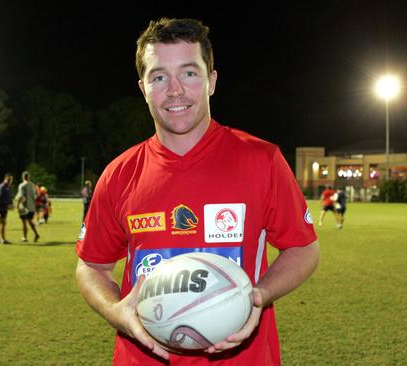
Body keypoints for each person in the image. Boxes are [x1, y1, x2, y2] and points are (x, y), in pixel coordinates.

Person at [74, 18, 319, 365]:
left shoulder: (262, 159)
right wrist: (115, 310)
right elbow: (91, 267)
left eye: (189, 73)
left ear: (211, 81)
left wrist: (259, 295)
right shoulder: (118, 174)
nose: (175, 90)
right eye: (159, 77)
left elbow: (303, 249)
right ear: (143, 88)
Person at [15, 171, 40, 243]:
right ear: (29, 177)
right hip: (32, 207)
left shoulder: (22, 185)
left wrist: (17, 206)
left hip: (24, 207)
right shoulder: (33, 185)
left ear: (23, 177)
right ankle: (36, 234)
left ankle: (24, 237)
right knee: (30, 221)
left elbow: (21, 197)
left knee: (24, 222)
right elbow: (37, 195)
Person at [0, 174, 13, 244]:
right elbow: (0, 198)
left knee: (3, 223)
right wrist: (7, 205)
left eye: (10, 180)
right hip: (0, 207)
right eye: (8, 180)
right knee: (0, 222)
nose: (9, 181)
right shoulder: (1, 187)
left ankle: (3, 239)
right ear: (5, 179)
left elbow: (9, 197)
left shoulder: (8, 187)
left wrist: (11, 204)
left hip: (4, 208)